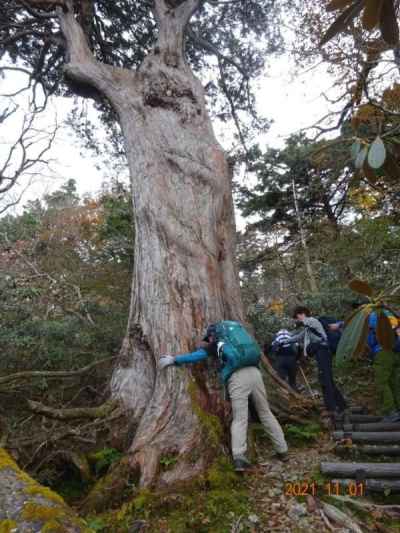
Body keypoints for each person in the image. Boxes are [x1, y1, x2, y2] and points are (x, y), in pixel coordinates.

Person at [159, 322, 289, 472]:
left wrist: (174, 360)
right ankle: (282, 450)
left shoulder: (216, 344)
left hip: (238, 378)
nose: (209, 340)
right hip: (255, 373)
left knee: (240, 418)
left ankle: (239, 458)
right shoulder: (238, 338)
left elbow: (196, 356)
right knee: (266, 413)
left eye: (209, 338)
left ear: (213, 335)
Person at [289, 306, 347, 419]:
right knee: (327, 378)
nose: (298, 319)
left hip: (323, 351)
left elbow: (312, 329)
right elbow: (298, 337)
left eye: (297, 317)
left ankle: (332, 408)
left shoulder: (311, 321)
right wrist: (284, 340)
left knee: (325, 379)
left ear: (302, 314)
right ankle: (341, 405)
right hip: (322, 352)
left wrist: (302, 319)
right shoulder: (308, 327)